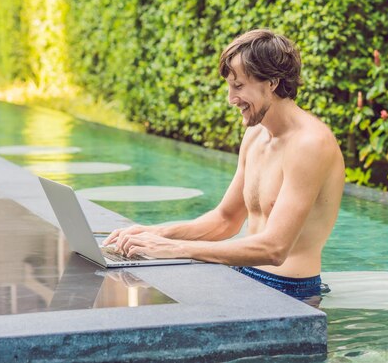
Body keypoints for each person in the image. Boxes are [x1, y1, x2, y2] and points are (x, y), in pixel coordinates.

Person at [103, 29, 345, 303]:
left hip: (288, 291)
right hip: (241, 272)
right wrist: (152, 233)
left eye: (239, 86)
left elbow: (275, 249)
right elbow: (225, 220)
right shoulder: (256, 133)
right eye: (230, 86)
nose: (231, 98)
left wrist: (174, 248)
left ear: (272, 83)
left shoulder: (309, 145)